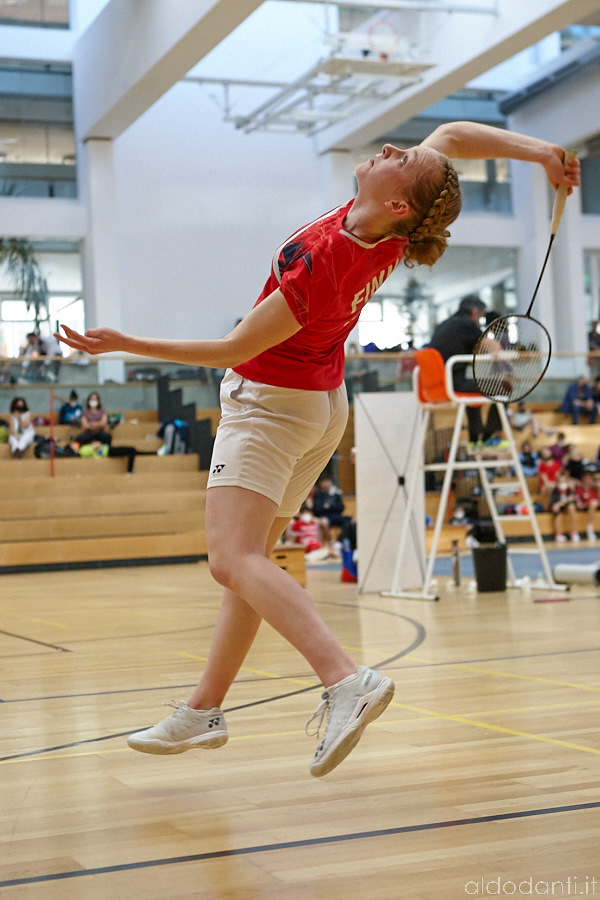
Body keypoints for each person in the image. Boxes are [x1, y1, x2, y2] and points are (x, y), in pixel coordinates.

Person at [54, 121, 579, 778]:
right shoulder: (395, 224)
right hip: (318, 406)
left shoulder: (329, 259)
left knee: (231, 559)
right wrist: (542, 153)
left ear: (398, 202)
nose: (390, 148)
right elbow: (449, 137)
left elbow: (234, 348)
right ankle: (204, 708)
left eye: (400, 157)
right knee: (251, 565)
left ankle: (344, 679)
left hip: (270, 407)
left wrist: (126, 343)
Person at [428, 294, 502, 443]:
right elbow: (494, 348)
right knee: (504, 387)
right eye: (481, 316)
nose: (480, 320)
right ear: (474, 312)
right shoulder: (466, 324)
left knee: (472, 392)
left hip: (434, 386)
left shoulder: (446, 324)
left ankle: (476, 438)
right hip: (453, 385)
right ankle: (488, 436)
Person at [549, 471, 578, 543]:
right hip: (558, 508)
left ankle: (573, 532)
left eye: (564, 481)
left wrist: (563, 502)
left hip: (566, 506)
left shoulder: (569, 490)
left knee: (572, 507)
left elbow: (572, 498)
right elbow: (554, 505)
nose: (562, 483)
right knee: (557, 512)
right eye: (560, 481)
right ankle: (558, 534)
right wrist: (562, 503)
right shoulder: (555, 491)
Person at [574, 472, 599, 542]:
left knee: (593, 503)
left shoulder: (594, 489)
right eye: (586, 478)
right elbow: (578, 504)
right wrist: (585, 504)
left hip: (592, 506)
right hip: (583, 507)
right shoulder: (579, 489)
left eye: (590, 478)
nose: (588, 480)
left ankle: (589, 527)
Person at [538, 445, 562, 510]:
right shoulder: (542, 465)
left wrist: (556, 483)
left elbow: (558, 477)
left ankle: (556, 505)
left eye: (546, 452)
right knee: (549, 488)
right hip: (545, 485)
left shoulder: (556, 463)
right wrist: (552, 484)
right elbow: (545, 480)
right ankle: (549, 507)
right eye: (543, 453)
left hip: (555, 483)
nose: (545, 454)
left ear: (550, 452)